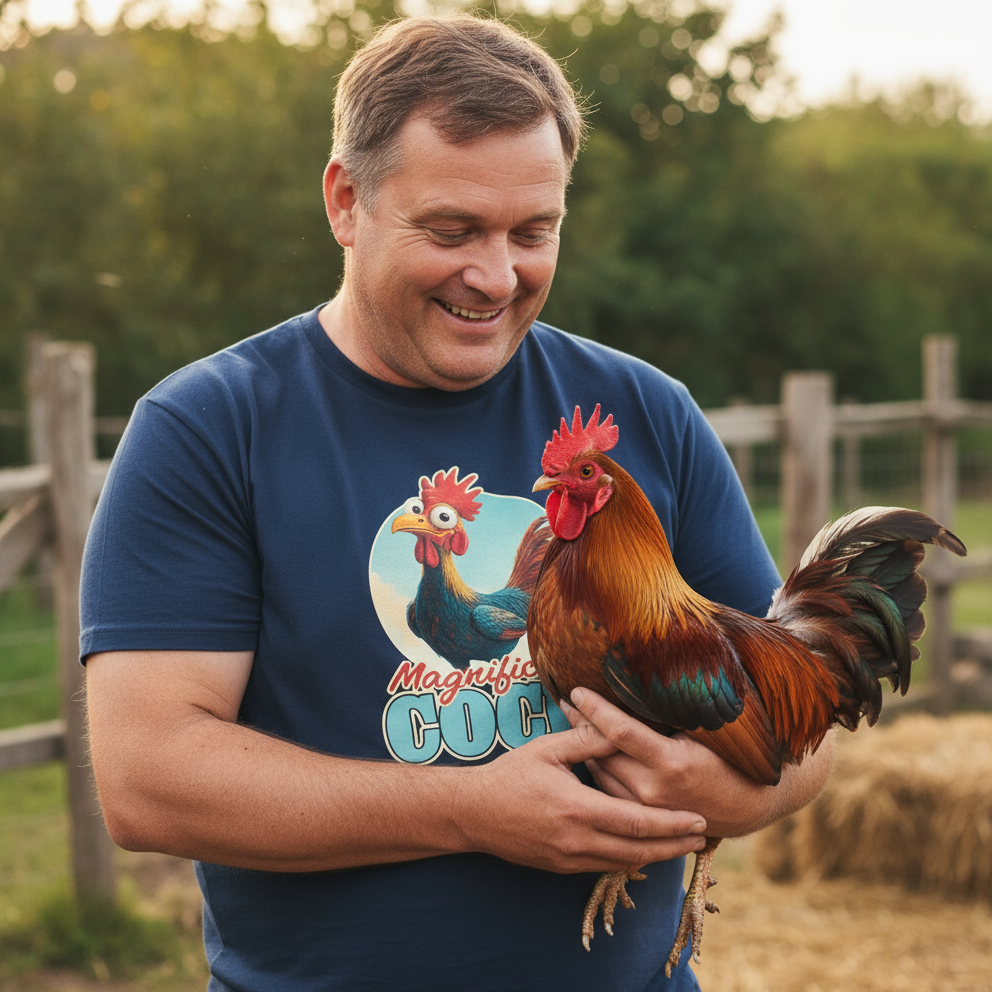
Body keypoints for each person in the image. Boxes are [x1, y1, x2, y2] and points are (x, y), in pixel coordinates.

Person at [82, 14, 833, 992]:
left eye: (533, 231)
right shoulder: (211, 427)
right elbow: (147, 779)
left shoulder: (643, 411)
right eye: (451, 230)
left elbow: (801, 727)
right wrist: (466, 808)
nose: (496, 275)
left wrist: (724, 786)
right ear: (345, 202)